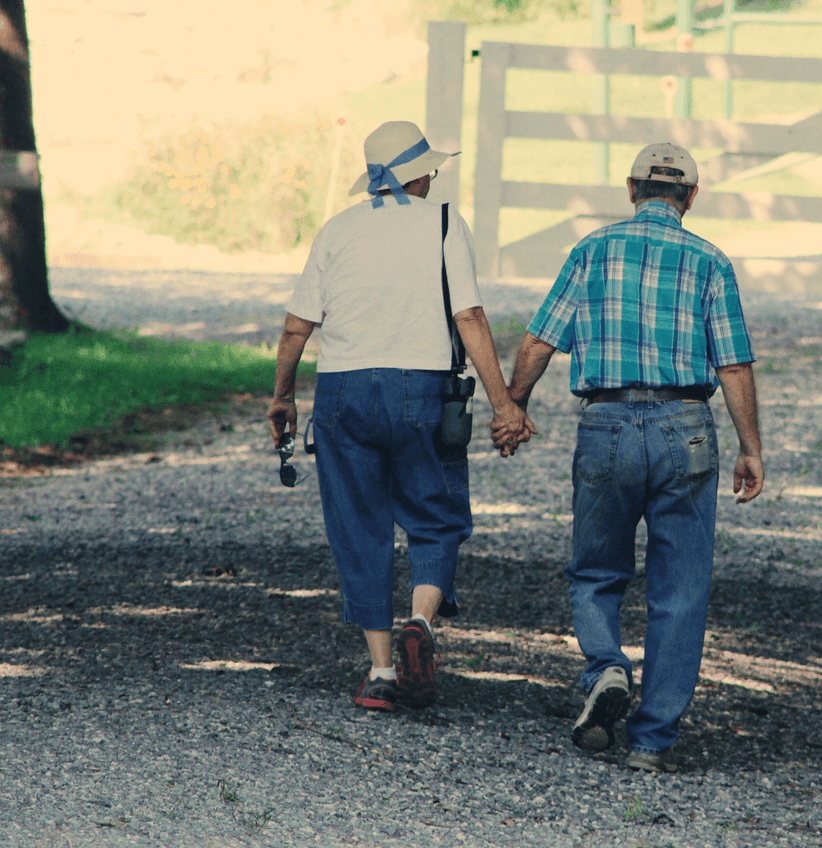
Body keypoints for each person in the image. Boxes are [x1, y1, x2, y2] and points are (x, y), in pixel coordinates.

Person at [498, 142, 764, 772]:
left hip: (607, 423)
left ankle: (606, 668)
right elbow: (733, 364)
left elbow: (538, 341)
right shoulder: (711, 261)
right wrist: (750, 448)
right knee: (681, 587)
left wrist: (513, 407)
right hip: (686, 426)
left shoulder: (592, 250)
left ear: (631, 189)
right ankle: (651, 741)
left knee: (595, 569)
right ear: (691, 197)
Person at [268, 121, 534, 713]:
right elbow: (469, 317)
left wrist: (283, 396)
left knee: (358, 525)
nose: (433, 177)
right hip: (421, 386)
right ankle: (421, 621)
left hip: (342, 390)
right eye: (430, 169)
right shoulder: (444, 222)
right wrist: (504, 404)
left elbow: (295, 328)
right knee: (434, 515)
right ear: (417, 175)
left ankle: (383, 671)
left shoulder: (337, 230)